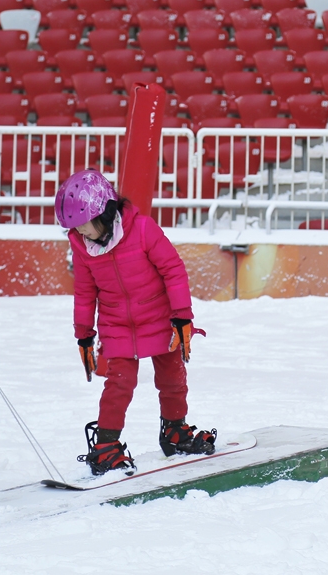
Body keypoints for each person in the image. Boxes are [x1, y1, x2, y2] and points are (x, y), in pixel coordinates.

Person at [56, 169, 216, 475]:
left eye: (81, 225)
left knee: (172, 378)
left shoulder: (142, 229)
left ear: (103, 211)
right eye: (72, 228)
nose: (78, 233)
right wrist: (84, 335)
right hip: (117, 325)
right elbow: (85, 292)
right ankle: (105, 446)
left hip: (158, 316)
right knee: (119, 384)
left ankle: (174, 431)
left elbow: (173, 269)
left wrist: (182, 316)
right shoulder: (82, 247)